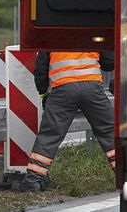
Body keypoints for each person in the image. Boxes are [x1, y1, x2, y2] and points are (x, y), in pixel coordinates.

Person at [12, 50, 116, 192]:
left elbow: (40, 69)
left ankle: (32, 181)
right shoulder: (92, 30)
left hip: (63, 90)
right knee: (109, 132)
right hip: (92, 88)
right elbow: (109, 62)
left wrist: (44, 94)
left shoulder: (51, 33)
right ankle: (126, 177)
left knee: (50, 136)